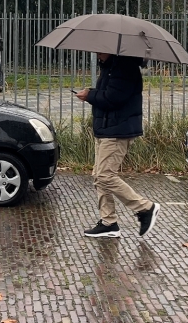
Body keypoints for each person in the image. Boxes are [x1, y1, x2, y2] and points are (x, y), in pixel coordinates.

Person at [75, 53, 160, 238]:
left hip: (117, 131)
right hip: (106, 129)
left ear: (112, 49)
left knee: (105, 175)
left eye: (100, 49)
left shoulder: (124, 67)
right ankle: (109, 223)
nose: (97, 53)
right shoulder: (111, 67)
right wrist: (91, 93)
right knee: (99, 176)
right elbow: (107, 93)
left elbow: (113, 98)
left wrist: (90, 95)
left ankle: (145, 208)